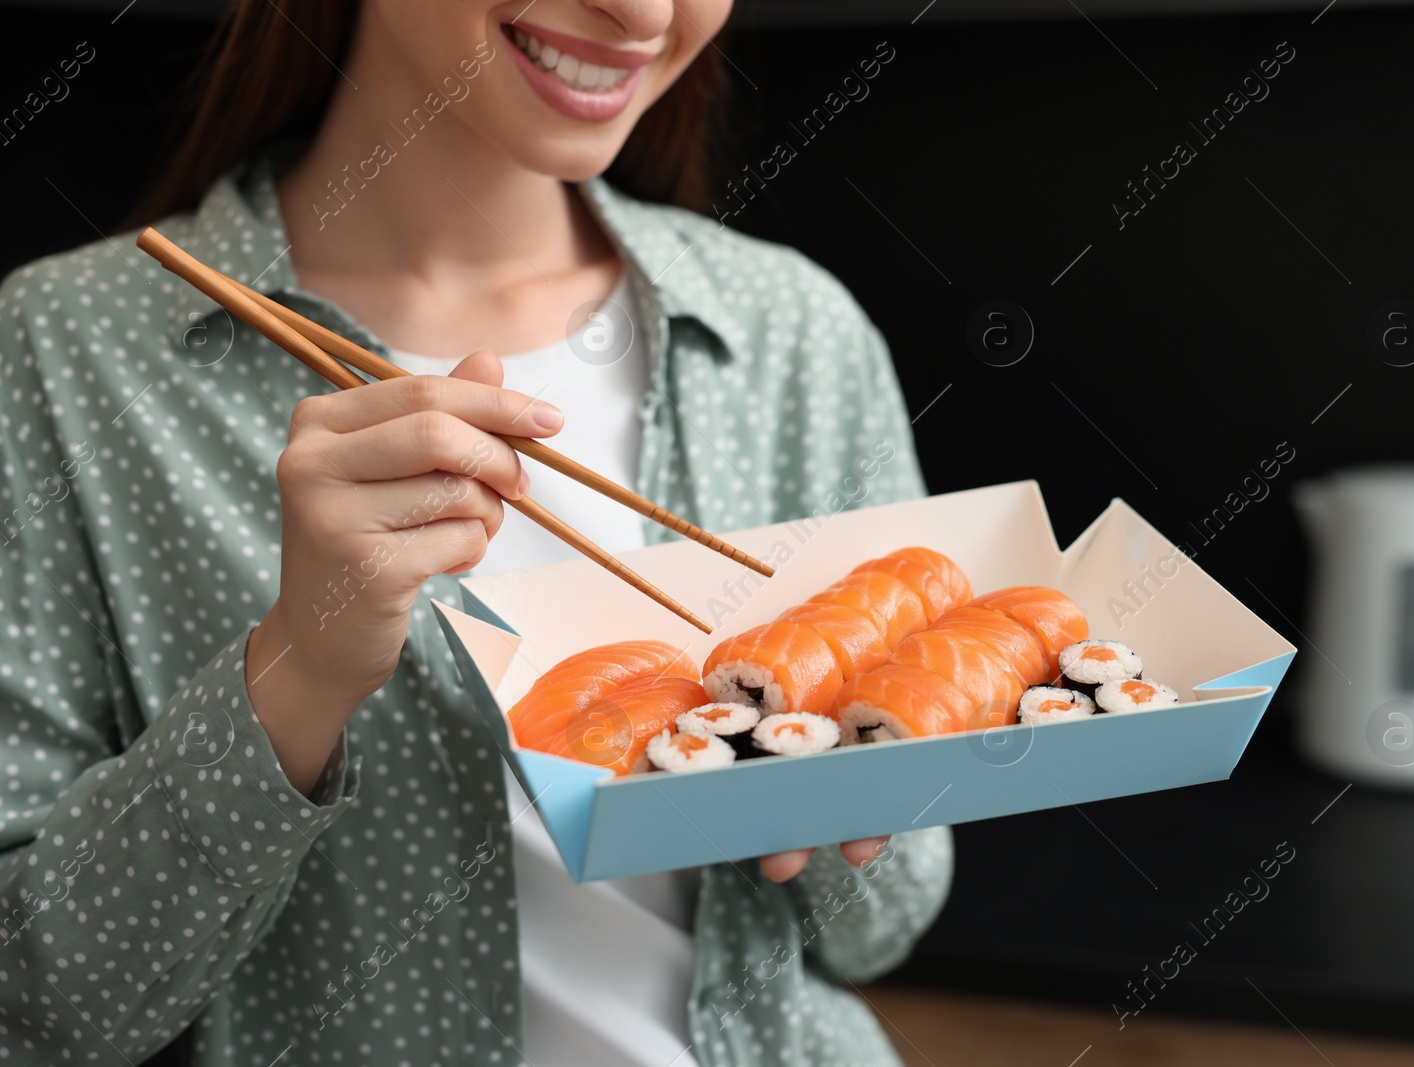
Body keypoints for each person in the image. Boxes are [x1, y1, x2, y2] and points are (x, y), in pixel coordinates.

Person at [0, 0, 953, 1064]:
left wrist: (816, 782)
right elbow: (35, 1007)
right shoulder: (62, 352)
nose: (644, 12)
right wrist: (298, 669)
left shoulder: (793, 335)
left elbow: (886, 922)